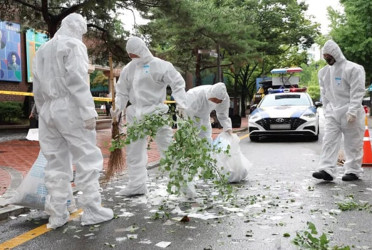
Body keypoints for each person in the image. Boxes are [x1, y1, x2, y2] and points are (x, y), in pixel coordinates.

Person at [32, 13, 113, 229]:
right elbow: (77, 81)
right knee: (87, 157)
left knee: (55, 162)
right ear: (76, 27)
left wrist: (43, 112)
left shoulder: (43, 49)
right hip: (70, 107)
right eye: (82, 31)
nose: (83, 35)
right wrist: (88, 111)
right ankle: (93, 210)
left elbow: (37, 86)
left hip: (49, 109)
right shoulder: (73, 45)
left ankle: (57, 214)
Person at [110, 36, 188, 197]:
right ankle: (137, 185)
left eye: (135, 54)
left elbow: (177, 83)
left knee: (167, 148)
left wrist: (182, 103)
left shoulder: (161, 66)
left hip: (156, 113)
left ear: (142, 50)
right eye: (130, 55)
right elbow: (122, 91)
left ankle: (182, 184)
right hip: (136, 114)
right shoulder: (128, 69)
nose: (132, 57)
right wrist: (118, 108)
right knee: (134, 151)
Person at [312, 40, 365, 182]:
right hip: (333, 113)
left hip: (350, 112)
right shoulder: (323, 72)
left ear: (336, 53)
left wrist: (353, 110)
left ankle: (353, 171)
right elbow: (325, 93)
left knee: (353, 143)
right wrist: (326, 109)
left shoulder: (353, 69)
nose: (327, 59)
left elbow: (357, 91)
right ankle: (326, 170)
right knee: (329, 141)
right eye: (325, 56)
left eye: (328, 56)